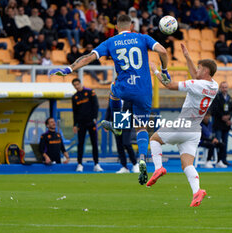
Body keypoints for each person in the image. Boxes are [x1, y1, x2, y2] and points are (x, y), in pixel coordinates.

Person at [49, 14, 168, 185]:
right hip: (144, 90)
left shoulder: (111, 41)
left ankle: (118, 126)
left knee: (113, 90)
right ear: (131, 26)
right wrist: (164, 71)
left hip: (125, 87)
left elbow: (89, 57)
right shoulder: (143, 38)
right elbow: (163, 51)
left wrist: (69, 69)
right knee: (141, 127)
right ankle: (142, 158)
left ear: (116, 27)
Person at [147, 43, 218, 207]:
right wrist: (187, 56)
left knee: (155, 139)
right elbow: (196, 74)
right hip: (194, 131)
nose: (196, 71)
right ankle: (197, 191)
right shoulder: (213, 85)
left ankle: (158, 168)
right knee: (187, 165)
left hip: (183, 125)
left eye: (200, 68)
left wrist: (155, 71)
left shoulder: (196, 84)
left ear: (205, 71)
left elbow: (170, 85)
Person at [71, 78, 103, 172]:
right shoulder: (75, 97)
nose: (77, 86)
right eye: (75, 85)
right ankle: (80, 164)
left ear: (81, 83)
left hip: (91, 122)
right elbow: (75, 112)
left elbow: (96, 105)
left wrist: (95, 118)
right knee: (80, 143)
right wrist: (74, 125)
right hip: (81, 123)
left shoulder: (90, 92)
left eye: (78, 84)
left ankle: (96, 164)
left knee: (94, 143)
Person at [105, 100, 139, 173]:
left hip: (127, 119)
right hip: (115, 120)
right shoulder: (113, 94)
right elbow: (109, 108)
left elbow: (135, 108)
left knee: (126, 143)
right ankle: (124, 167)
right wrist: (106, 121)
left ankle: (135, 164)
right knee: (119, 145)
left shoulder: (129, 95)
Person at [211, 81, 232, 166]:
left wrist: (229, 117)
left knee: (225, 143)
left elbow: (231, 110)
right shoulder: (216, 97)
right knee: (217, 142)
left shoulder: (229, 98)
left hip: (226, 125)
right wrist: (222, 117)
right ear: (220, 88)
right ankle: (217, 159)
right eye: (223, 87)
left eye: (226, 87)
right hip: (218, 124)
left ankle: (224, 159)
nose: (225, 89)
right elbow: (214, 110)